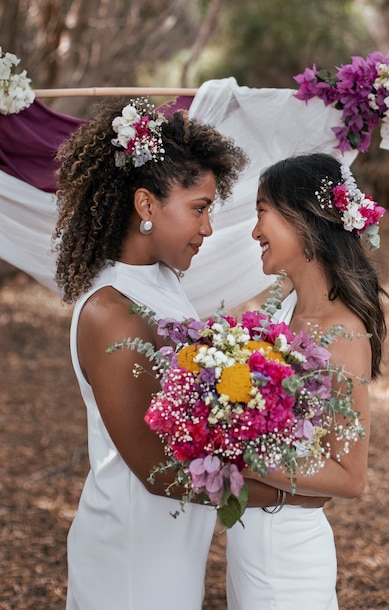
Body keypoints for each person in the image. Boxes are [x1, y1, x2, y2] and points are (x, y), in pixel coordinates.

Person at [53, 98, 327, 610]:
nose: (206, 229)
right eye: (199, 208)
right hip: (131, 559)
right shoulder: (111, 311)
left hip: (172, 547)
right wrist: (292, 494)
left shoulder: (161, 283)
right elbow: (158, 470)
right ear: (146, 206)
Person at [226, 153, 388, 610]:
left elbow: (350, 477)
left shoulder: (343, 332)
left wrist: (234, 452)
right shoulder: (287, 309)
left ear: (304, 219)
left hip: (288, 556)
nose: (255, 231)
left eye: (261, 212)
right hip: (250, 541)